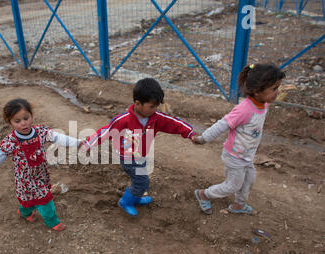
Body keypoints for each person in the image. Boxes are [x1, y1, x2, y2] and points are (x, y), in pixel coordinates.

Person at [82, 78, 198, 216]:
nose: (155, 109)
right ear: (137, 103)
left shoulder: (155, 117)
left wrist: (190, 133)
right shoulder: (123, 120)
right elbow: (106, 132)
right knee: (141, 182)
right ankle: (126, 202)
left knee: (141, 179)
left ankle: (135, 197)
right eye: (152, 106)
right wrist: (89, 143)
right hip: (128, 158)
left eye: (156, 106)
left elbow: (173, 123)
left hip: (141, 155)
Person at [0, 98, 82, 231]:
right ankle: (52, 221)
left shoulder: (41, 132)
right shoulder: (12, 141)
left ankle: (24, 212)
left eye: (26, 118)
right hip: (26, 179)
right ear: (10, 122)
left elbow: (58, 137)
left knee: (30, 200)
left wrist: (78, 142)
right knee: (45, 199)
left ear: (32, 116)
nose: (23, 124)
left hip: (41, 174)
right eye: (17, 121)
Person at [192, 63, 285, 215]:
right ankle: (203, 194)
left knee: (249, 180)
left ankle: (238, 206)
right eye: (274, 89)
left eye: (277, 88)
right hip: (234, 155)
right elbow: (222, 125)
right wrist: (203, 139)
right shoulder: (244, 109)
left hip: (247, 155)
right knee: (233, 185)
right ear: (256, 91)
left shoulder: (264, 104)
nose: (277, 92)